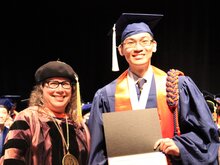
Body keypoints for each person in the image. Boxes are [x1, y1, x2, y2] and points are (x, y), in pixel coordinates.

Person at [87, 13, 220, 165]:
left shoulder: (176, 86)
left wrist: (180, 147)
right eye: (130, 42)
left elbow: (206, 136)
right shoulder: (106, 95)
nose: (138, 48)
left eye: (144, 41)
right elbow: (97, 153)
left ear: (154, 46)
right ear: (121, 50)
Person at [0, 60, 90, 165]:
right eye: (53, 84)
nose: (60, 90)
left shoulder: (78, 125)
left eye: (65, 84)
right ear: (41, 88)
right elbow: (12, 159)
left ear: (72, 89)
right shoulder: (27, 119)